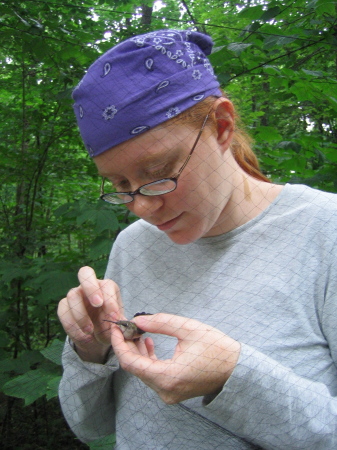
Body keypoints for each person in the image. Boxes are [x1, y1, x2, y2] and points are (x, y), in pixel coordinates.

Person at [57, 29, 337, 449]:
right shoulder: (133, 246)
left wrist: (234, 377)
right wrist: (89, 351)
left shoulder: (324, 232)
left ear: (222, 126)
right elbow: (90, 426)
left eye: (157, 172)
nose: (143, 208)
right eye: (118, 183)